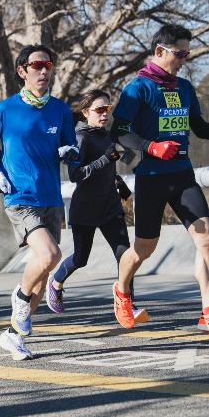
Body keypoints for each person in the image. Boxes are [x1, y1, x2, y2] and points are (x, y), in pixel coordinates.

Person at [110, 24, 209, 333]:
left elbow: (199, 126)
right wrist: (152, 146)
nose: (183, 60)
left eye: (186, 54)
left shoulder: (185, 88)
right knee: (144, 248)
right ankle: (122, 291)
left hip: (183, 175)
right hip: (151, 177)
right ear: (159, 52)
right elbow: (119, 131)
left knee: (207, 238)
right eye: (179, 54)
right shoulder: (138, 88)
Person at [0, 44, 81, 360]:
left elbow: (69, 145)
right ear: (23, 71)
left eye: (49, 65)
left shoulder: (61, 109)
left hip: (51, 197)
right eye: (37, 65)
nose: (44, 71)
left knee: (43, 274)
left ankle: (13, 335)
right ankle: (19, 299)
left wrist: (71, 152)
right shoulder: (5, 109)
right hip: (20, 198)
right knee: (51, 255)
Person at [46, 90, 148, 323]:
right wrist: (105, 160)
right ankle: (56, 282)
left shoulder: (109, 135)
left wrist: (118, 181)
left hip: (110, 206)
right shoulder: (80, 138)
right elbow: (75, 175)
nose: (105, 114)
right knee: (81, 258)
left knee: (125, 256)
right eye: (99, 110)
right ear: (85, 113)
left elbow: (123, 160)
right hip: (85, 208)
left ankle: (126, 305)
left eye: (107, 109)